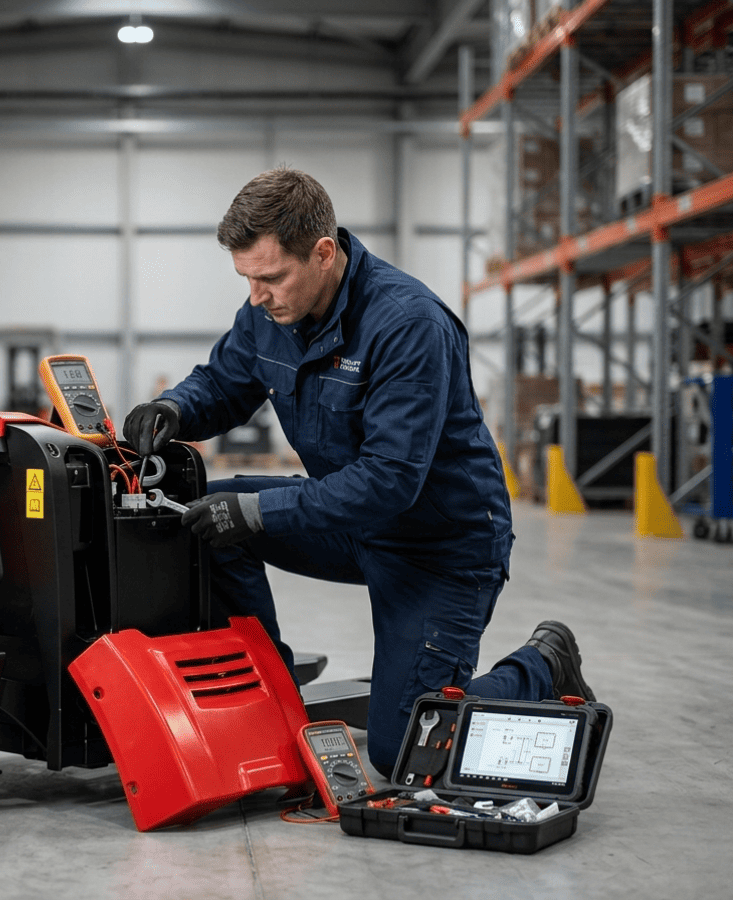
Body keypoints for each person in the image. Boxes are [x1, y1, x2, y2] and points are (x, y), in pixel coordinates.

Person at [123, 167, 595, 776]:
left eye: (272, 278)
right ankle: (269, 693)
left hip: (439, 546)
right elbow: (224, 382)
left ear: (324, 253)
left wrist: (260, 511)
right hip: (351, 522)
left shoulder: (408, 324)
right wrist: (174, 408)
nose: (258, 296)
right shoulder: (270, 313)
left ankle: (542, 664)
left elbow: (389, 479)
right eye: (248, 279)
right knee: (204, 520)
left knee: (405, 750)